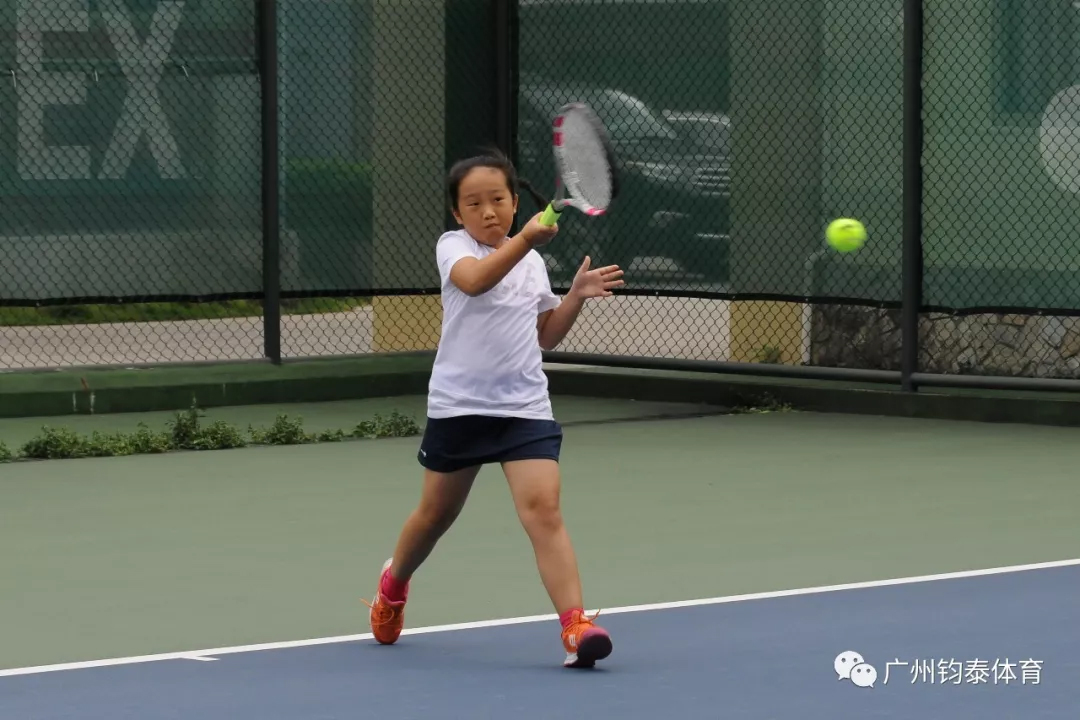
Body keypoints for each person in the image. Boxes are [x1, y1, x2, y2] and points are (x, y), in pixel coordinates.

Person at [362, 149, 625, 669]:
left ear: (514, 201)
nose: (488, 212)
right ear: (456, 213)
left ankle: (575, 626)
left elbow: (546, 336)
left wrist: (574, 296)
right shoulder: (453, 247)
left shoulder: (531, 262)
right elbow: (475, 281)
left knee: (544, 511)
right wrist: (525, 239)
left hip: (524, 407)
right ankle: (393, 585)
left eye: (498, 199)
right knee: (435, 516)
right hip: (460, 407)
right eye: (474, 203)